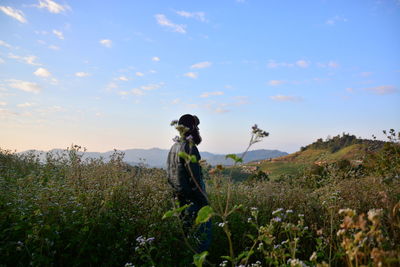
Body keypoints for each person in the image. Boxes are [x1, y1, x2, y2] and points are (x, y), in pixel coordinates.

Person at [167, 114, 211, 252]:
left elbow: (169, 175)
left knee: (186, 241)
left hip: (179, 201)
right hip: (193, 202)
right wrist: (204, 203)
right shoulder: (189, 148)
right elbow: (195, 180)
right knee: (202, 240)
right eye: (196, 126)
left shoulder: (174, 147)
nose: (198, 129)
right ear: (191, 127)